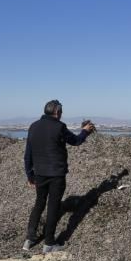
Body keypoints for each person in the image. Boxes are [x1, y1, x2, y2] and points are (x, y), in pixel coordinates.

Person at [23, 100, 96, 253]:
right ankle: (49, 243)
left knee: (39, 203)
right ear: (57, 112)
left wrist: (30, 175)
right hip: (56, 174)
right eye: (61, 111)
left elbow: (28, 153)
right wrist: (85, 131)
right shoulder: (59, 127)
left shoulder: (33, 126)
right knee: (53, 206)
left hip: (39, 173)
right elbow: (76, 141)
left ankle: (30, 239)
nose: (62, 114)